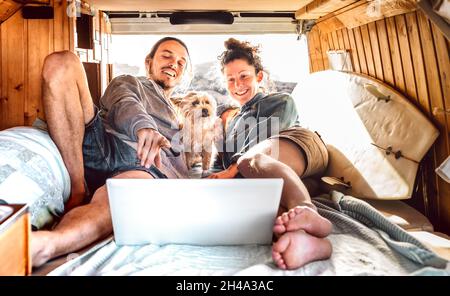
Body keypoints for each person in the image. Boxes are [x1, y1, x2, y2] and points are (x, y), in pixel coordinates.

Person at [31, 37, 191, 267]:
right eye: (167, 56)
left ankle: (46, 245)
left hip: (142, 163)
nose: (174, 63)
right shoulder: (130, 82)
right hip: (103, 142)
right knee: (62, 62)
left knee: (114, 196)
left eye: (181, 62)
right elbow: (124, 101)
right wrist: (142, 126)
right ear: (149, 62)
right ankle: (78, 187)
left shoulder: (179, 112)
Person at [208, 38, 333, 270]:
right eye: (231, 80)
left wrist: (233, 168)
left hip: (298, 146)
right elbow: (222, 168)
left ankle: (306, 209)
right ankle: (309, 242)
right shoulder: (231, 120)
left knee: (250, 161)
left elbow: (265, 144)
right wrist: (217, 145)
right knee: (261, 202)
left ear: (259, 76)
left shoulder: (279, 101)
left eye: (244, 76)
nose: (238, 85)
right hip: (271, 174)